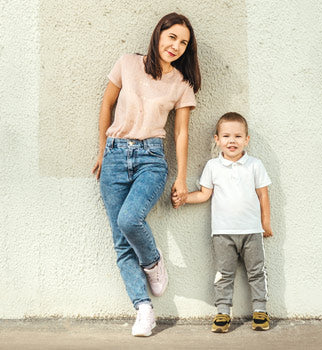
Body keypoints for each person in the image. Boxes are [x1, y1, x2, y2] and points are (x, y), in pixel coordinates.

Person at [92, 13, 201, 337]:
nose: (176, 46)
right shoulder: (127, 63)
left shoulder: (181, 83)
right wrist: (101, 151)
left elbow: (181, 133)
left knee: (129, 220)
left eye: (183, 43)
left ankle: (153, 261)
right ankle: (144, 309)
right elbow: (106, 105)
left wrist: (181, 178)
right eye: (172, 38)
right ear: (159, 35)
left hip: (151, 160)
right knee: (121, 242)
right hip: (114, 156)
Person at [172, 112, 273, 332]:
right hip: (222, 233)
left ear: (246, 140)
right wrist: (185, 198)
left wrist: (265, 223)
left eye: (238, 136)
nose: (232, 141)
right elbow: (204, 194)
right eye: (226, 136)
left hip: (251, 231)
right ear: (217, 139)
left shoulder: (255, 165)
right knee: (223, 274)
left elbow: (263, 195)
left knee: (256, 271)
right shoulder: (213, 167)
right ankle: (222, 313)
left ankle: (260, 311)